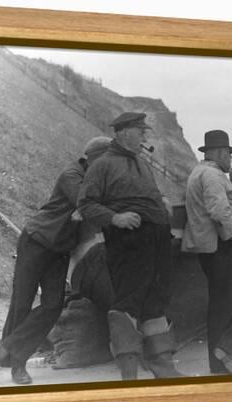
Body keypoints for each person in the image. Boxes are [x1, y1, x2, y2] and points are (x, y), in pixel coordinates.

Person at [0, 136, 112, 386]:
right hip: (37, 242)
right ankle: (17, 366)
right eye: (107, 161)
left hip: (59, 249)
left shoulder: (91, 178)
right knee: (22, 302)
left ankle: (3, 348)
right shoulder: (71, 175)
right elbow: (88, 204)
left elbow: (90, 207)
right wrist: (88, 208)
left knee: (52, 306)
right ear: (95, 158)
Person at [77, 112, 181, 380]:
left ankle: (163, 367)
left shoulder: (142, 164)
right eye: (140, 131)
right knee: (127, 303)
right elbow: (86, 204)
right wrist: (115, 218)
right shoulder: (102, 165)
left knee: (156, 301)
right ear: (123, 133)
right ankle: (129, 374)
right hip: (129, 241)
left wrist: (163, 202)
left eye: (145, 131)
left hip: (157, 239)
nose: (145, 136)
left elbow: (151, 194)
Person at [181, 130, 232, 375]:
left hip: (214, 245)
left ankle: (221, 359)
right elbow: (218, 209)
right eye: (228, 155)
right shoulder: (211, 174)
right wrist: (231, 235)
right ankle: (225, 353)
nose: (230, 160)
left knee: (227, 300)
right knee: (231, 300)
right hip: (223, 245)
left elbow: (223, 202)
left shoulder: (204, 172)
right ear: (219, 153)